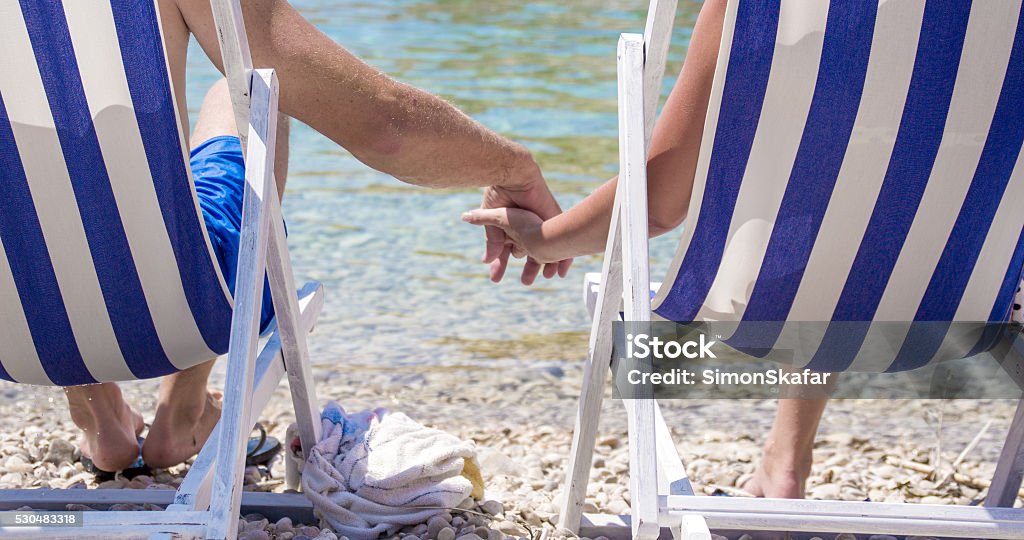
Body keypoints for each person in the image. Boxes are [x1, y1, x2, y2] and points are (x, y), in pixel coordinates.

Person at [66, 0, 572, 473]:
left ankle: (96, 413)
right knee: (254, 89)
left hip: (21, 324)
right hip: (185, 299)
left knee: (39, 227)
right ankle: (183, 408)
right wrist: (515, 169)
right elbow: (385, 126)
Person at [463, 0, 825, 499]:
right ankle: (787, 458)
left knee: (814, 232)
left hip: (774, 310)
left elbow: (657, 203)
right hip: (951, 321)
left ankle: (784, 466)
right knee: (839, 240)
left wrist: (546, 239)